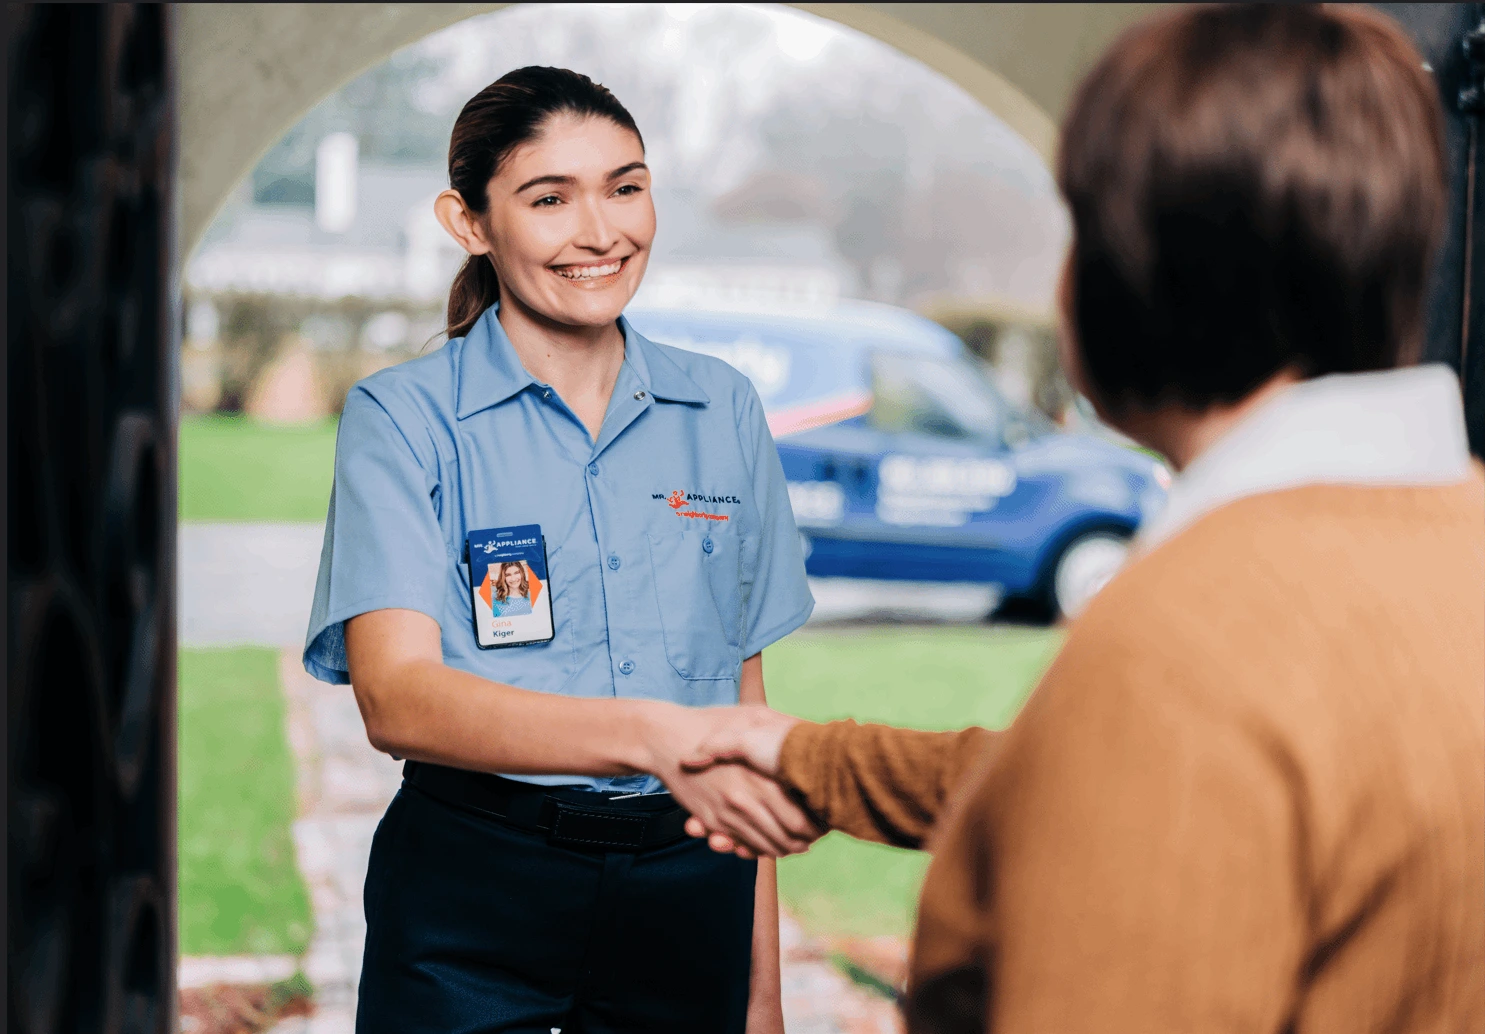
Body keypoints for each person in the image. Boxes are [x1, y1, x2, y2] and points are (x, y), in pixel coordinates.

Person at [685, 6, 1484, 1032]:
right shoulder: (1441, 538)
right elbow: (1119, 787)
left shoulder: (1189, 641)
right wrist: (812, 760)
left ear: (1137, 267)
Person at [302, 66, 818, 1034]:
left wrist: (762, 996)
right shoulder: (403, 418)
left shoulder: (724, 410)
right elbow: (396, 697)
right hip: (472, 890)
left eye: (626, 186)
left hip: (689, 885)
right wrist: (651, 734)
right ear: (470, 221)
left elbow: (741, 708)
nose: (602, 232)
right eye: (550, 199)